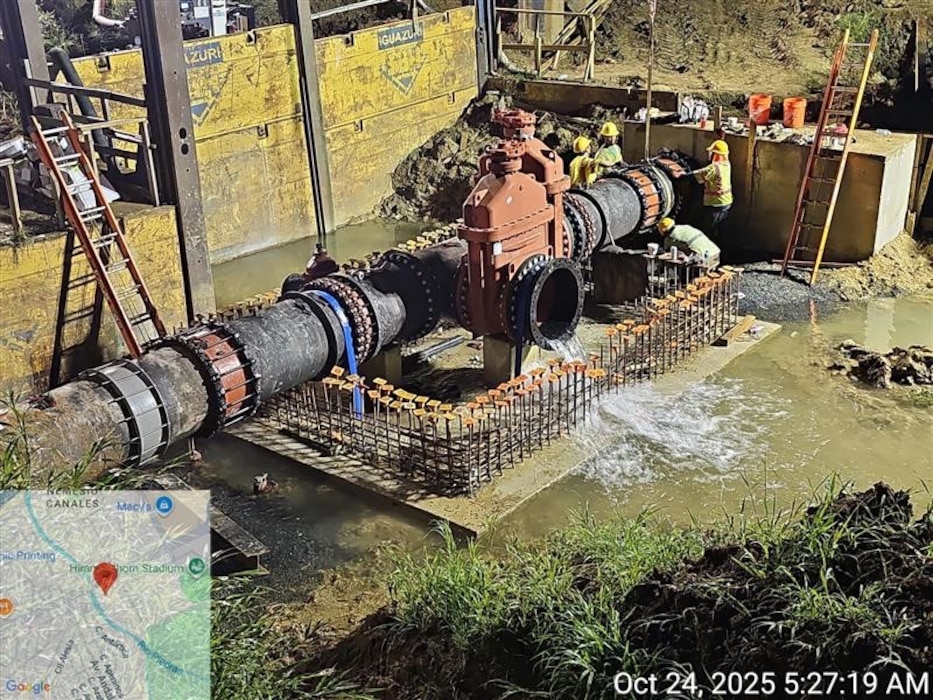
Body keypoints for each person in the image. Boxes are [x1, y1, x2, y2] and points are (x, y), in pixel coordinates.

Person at [677, 139, 732, 241]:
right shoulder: (727, 164)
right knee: (721, 230)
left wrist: (680, 177)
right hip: (726, 203)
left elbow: (696, 176)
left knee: (709, 231)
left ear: (716, 155)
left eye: (712, 153)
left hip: (716, 204)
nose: (710, 155)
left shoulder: (714, 168)